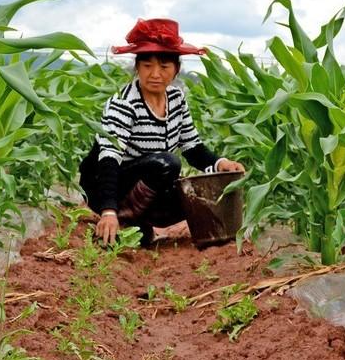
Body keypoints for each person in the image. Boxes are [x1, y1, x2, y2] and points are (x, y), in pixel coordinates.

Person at [79, 18, 245, 246]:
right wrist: (108, 210)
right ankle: (123, 221)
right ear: (137, 67)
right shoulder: (124, 102)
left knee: (195, 195)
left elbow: (192, 148)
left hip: (148, 182)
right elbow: (109, 158)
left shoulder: (176, 100)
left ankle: (142, 225)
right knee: (167, 163)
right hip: (107, 184)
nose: (155, 74)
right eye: (147, 66)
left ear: (176, 70)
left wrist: (220, 164)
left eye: (164, 67)